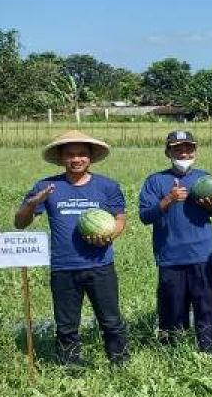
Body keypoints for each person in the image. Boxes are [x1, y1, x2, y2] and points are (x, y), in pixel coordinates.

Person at [14, 130, 129, 366]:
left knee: (111, 320)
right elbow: (20, 222)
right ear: (62, 158)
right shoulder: (47, 186)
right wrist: (32, 203)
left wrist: (109, 236)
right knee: (66, 325)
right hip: (63, 267)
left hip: (101, 265)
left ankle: (120, 364)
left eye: (81, 154)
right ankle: (70, 367)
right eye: (70, 154)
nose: (76, 159)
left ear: (90, 157)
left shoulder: (107, 186)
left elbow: (120, 219)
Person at [138, 129, 212, 351]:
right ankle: (172, 350)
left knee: (207, 305)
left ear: (195, 150)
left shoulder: (205, 179)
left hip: (202, 255)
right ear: (168, 152)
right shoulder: (155, 181)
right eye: (178, 149)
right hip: (170, 256)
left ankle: (210, 348)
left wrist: (209, 205)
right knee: (172, 307)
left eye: (188, 148)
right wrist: (168, 199)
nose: (184, 153)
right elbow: (145, 216)